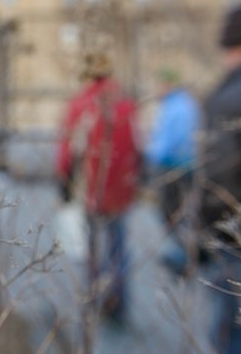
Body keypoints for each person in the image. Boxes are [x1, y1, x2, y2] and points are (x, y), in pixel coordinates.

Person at [199, 3, 241, 354]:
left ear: (234, 48)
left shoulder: (230, 99)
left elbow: (218, 181)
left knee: (233, 338)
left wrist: (205, 234)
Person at [56, 53, 140, 323]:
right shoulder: (126, 105)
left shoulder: (81, 104)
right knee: (118, 246)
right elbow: (139, 147)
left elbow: (69, 150)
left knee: (92, 247)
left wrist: (64, 182)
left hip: (91, 188)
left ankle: (94, 298)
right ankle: (118, 301)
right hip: (121, 190)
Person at [145, 68, 200, 275]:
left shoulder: (175, 107)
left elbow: (167, 143)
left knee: (172, 214)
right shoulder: (186, 103)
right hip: (186, 165)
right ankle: (187, 253)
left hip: (173, 167)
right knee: (183, 213)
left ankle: (183, 255)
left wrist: (149, 154)